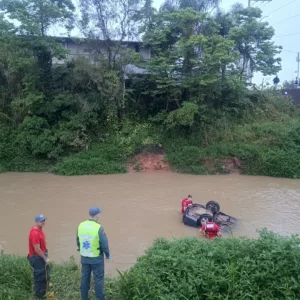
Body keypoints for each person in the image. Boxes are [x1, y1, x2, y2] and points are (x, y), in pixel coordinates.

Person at [77, 206, 110, 300]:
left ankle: (84, 298)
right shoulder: (99, 228)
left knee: (84, 279)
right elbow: (104, 244)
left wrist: (82, 250)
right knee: (98, 280)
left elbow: (78, 241)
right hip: (96, 259)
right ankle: (100, 298)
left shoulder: (81, 225)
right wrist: (107, 255)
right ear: (97, 215)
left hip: (84, 258)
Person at [27, 214, 51, 299]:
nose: (43, 222)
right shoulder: (35, 233)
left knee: (46, 272)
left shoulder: (40, 229)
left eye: (44, 220)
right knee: (40, 276)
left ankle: (46, 288)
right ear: (36, 222)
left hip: (42, 254)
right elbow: (37, 249)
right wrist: (45, 258)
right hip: (37, 257)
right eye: (41, 221)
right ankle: (40, 295)